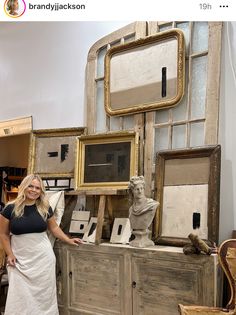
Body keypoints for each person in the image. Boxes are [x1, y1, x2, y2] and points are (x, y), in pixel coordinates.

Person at [0, 174, 82, 315]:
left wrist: (68, 239)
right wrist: (10, 254)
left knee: (44, 296)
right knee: (19, 296)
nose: (34, 190)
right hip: (19, 260)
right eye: (31, 186)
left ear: (41, 191)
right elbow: (3, 234)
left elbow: (54, 228)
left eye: (38, 188)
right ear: (24, 187)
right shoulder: (9, 208)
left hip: (43, 259)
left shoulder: (44, 208)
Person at [128, 175, 159, 247]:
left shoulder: (152, 205)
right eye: (137, 189)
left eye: (142, 188)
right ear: (132, 191)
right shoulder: (131, 210)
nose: (140, 191)